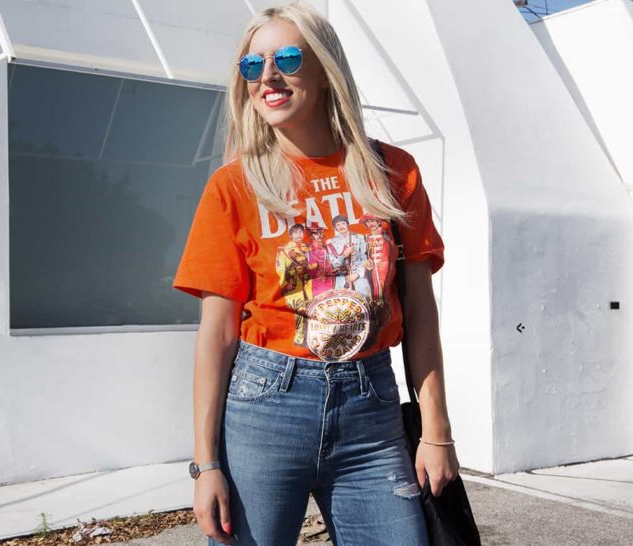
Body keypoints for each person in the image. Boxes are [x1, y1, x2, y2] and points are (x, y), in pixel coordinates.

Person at [172, 2, 459, 544]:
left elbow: (421, 312)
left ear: (326, 69)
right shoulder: (234, 186)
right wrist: (205, 465)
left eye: (286, 58)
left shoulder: (391, 172)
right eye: (253, 65)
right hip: (265, 406)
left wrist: (436, 430)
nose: (268, 77)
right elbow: (217, 335)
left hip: (372, 409)